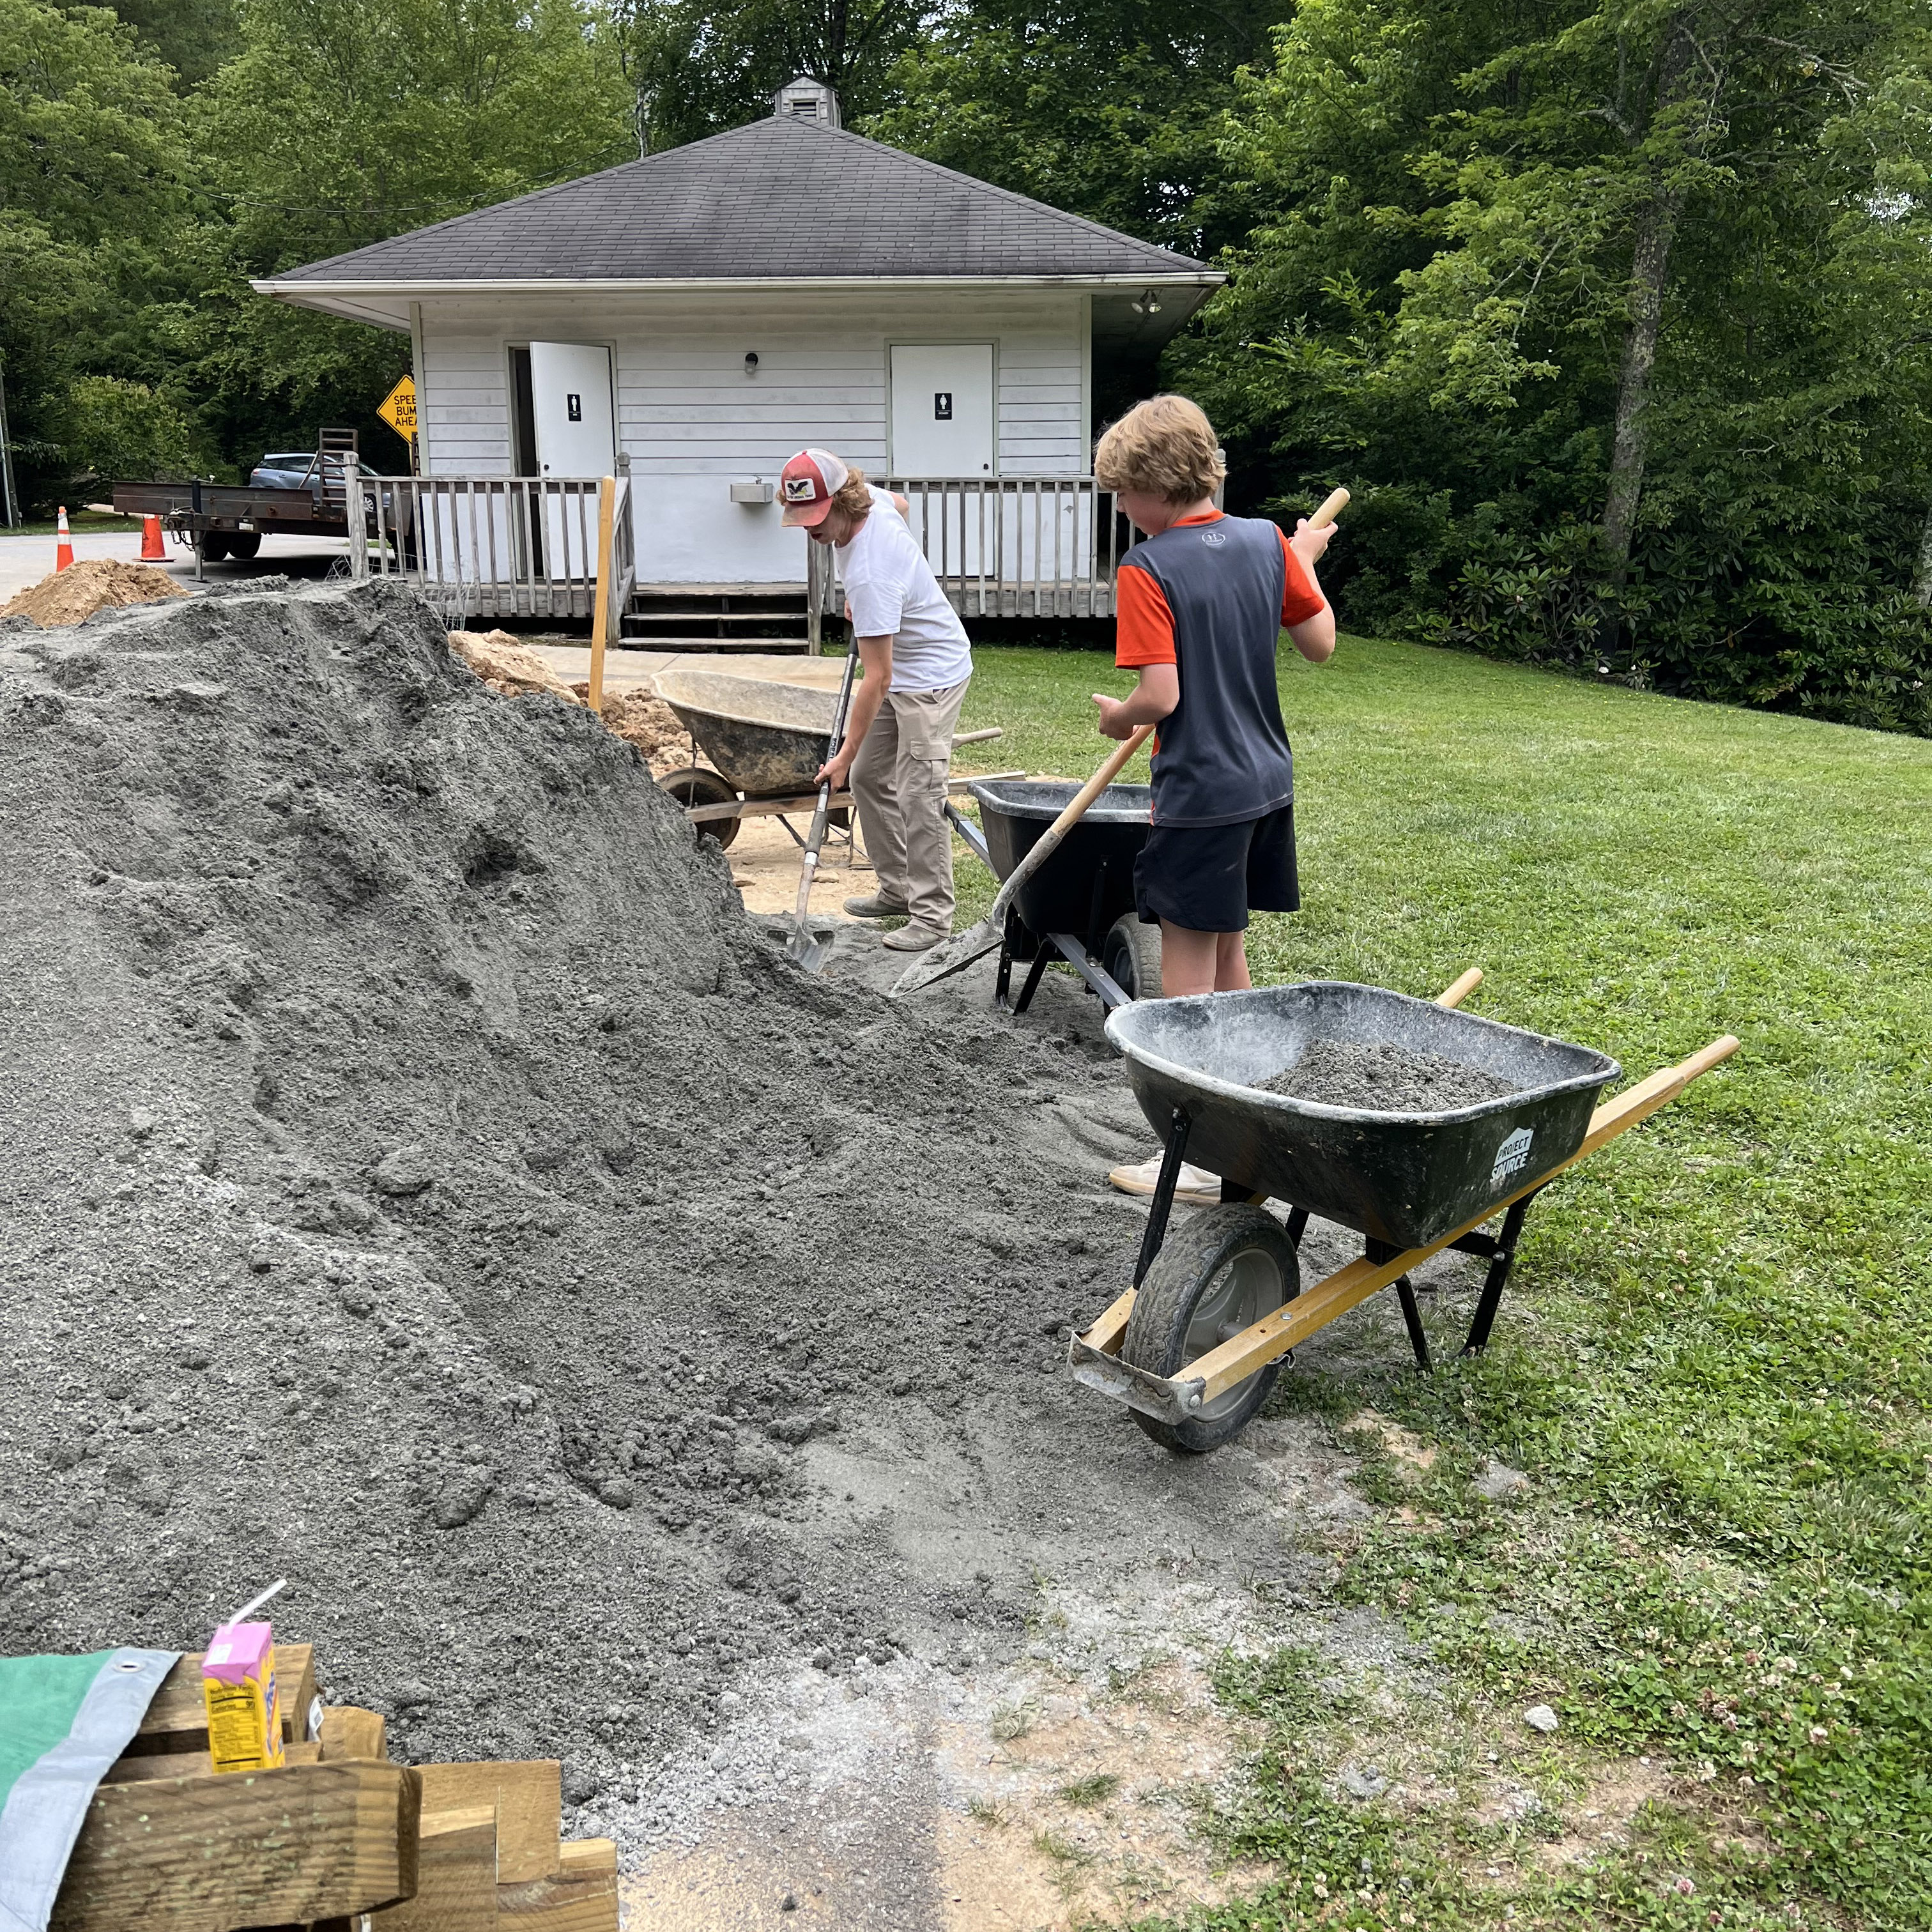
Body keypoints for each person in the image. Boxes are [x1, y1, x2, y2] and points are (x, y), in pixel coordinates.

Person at [1091, 395, 1337, 1202]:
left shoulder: (1148, 568)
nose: (1121, 510)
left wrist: (1119, 717)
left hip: (1199, 798)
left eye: (1123, 494)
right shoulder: (1266, 542)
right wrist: (1301, 561)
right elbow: (1320, 643)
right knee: (1229, 960)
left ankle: (1204, 1155)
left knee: (1188, 989)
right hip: (1265, 787)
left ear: (1155, 485)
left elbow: (1160, 696)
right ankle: (1253, 1129)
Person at [779, 447, 974, 953]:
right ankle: (898, 889)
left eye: (817, 516)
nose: (809, 529)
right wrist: (884, 599)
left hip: (931, 676)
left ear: (844, 501)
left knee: (918, 791)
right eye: (801, 517)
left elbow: (878, 679)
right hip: (899, 666)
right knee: (868, 777)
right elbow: (901, 504)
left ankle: (931, 917)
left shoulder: (871, 572)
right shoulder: (872, 503)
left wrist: (842, 755)